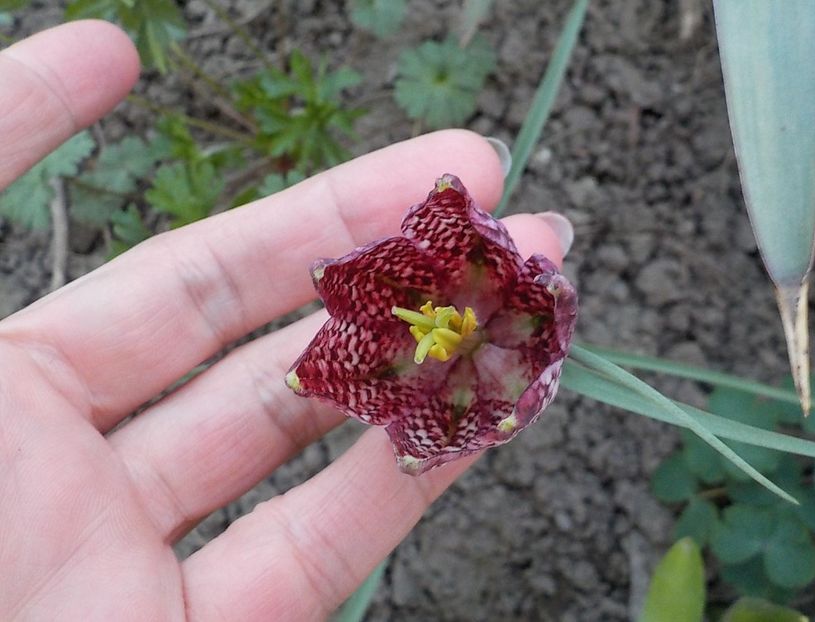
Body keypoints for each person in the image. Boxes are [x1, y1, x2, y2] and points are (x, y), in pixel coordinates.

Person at [0, 20, 572, 621]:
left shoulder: (526, 320)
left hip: (516, 332)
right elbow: (340, 315)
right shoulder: (413, 362)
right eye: (444, 328)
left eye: (445, 329)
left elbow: (460, 214)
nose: (444, 330)